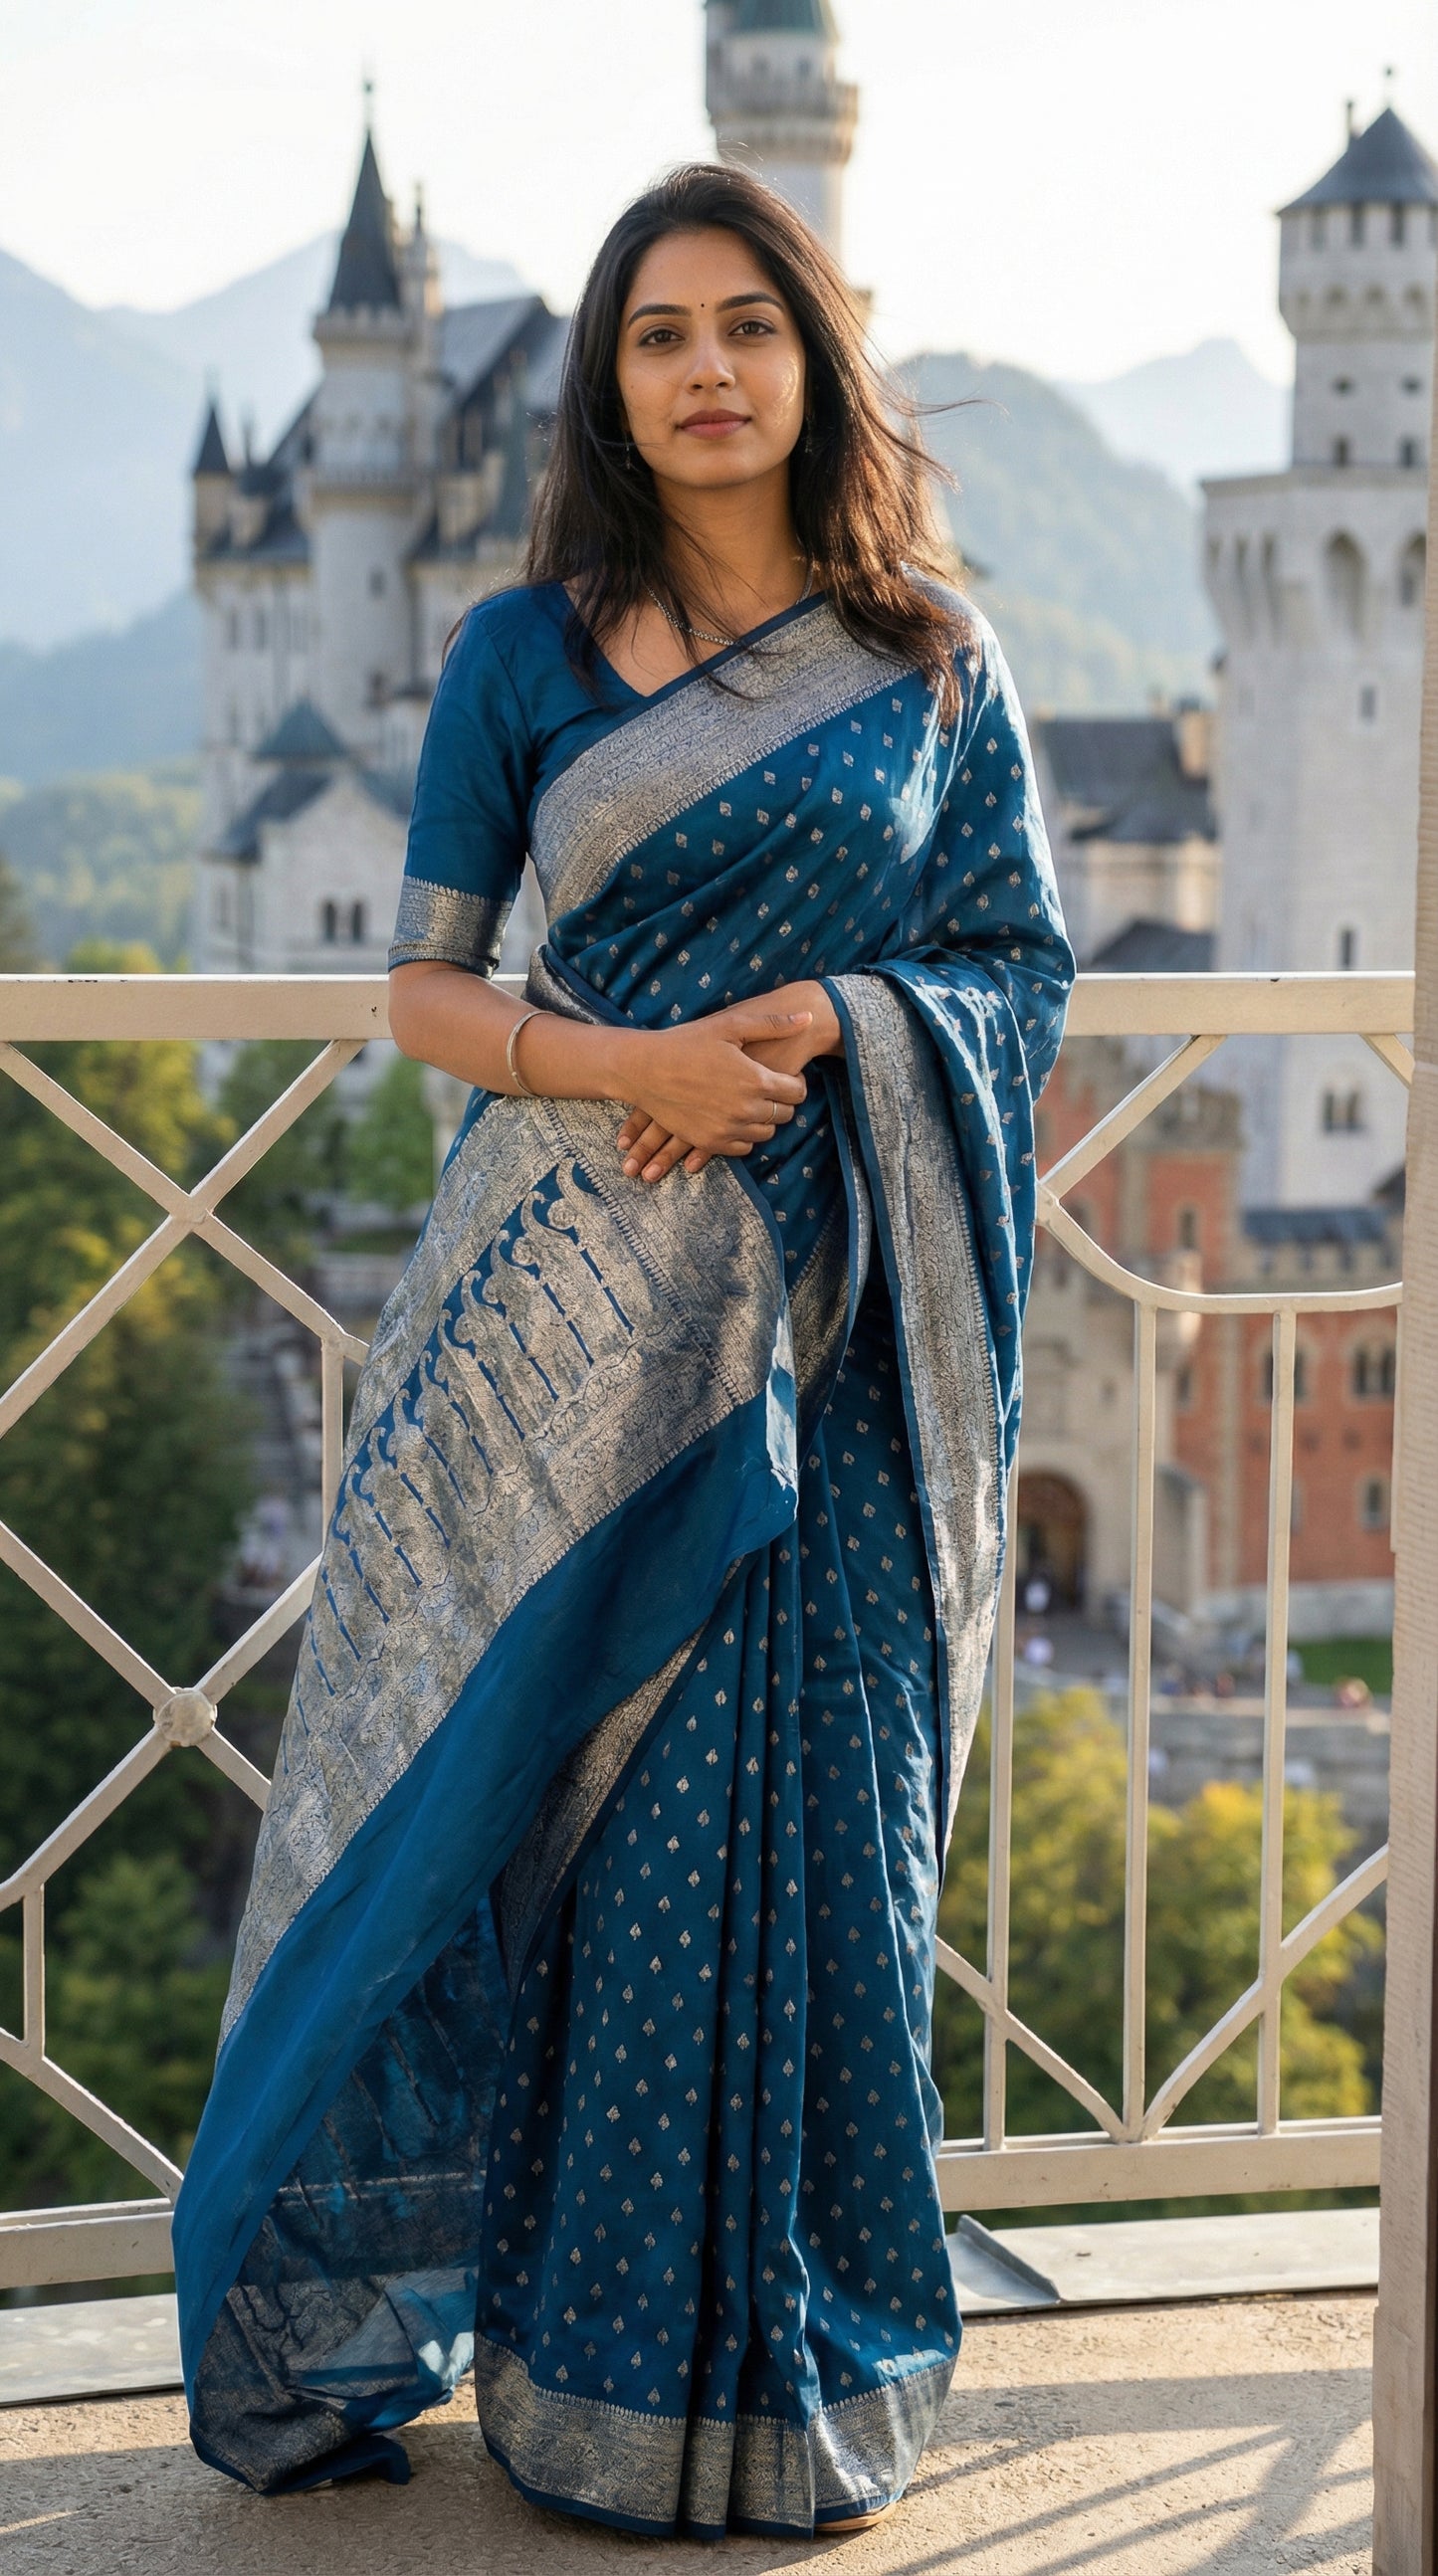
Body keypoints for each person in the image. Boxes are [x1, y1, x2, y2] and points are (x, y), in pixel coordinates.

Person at [174, 161, 1072, 2541]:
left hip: (845, 1347)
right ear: (606, 378)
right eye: (659, 331)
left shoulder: (937, 664)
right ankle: (577, 2380)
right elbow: (429, 990)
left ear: (814, 358)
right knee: (566, 1838)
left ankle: (798, 2375)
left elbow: (1019, 972)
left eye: (747, 327)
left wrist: (857, 1022)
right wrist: (634, 1067)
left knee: (816, 1842)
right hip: (561, 1324)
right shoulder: (519, 650)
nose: (704, 370)